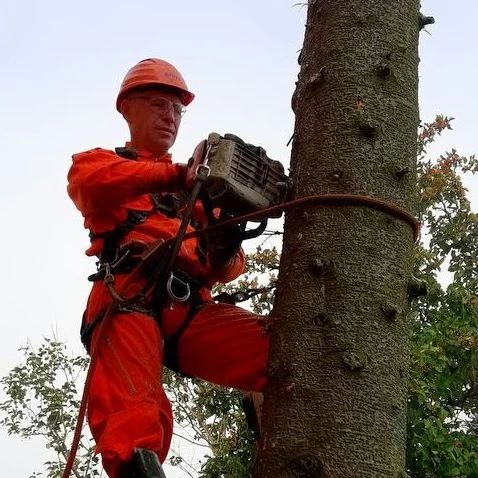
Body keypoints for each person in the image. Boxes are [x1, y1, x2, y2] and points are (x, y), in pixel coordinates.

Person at [67, 58, 270, 478]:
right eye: (160, 104)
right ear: (127, 108)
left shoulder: (198, 194)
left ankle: (280, 439)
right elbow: (89, 187)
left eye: (177, 110)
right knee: (134, 417)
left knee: (288, 350)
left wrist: (225, 236)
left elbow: (230, 268)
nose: (170, 117)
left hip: (190, 308)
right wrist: (179, 175)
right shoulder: (103, 164)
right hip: (129, 296)